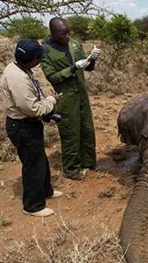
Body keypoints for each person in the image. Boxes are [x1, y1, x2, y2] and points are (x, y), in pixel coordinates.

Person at [0, 39, 63, 217]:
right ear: (32, 59)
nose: (41, 59)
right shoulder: (17, 78)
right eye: (39, 57)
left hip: (28, 124)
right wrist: (51, 101)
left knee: (39, 159)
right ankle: (33, 206)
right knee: (33, 164)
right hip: (22, 126)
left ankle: (45, 190)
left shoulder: (20, 68)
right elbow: (32, 109)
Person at [41, 17, 102, 180]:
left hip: (82, 94)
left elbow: (88, 67)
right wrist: (73, 68)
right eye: (62, 34)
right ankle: (72, 169)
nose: (67, 36)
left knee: (87, 129)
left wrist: (92, 59)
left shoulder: (74, 44)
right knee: (70, 132)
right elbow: (52, 77)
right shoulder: (45, 50)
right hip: (66, 98)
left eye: (68, 32)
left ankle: (89, 162)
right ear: (53, 33)